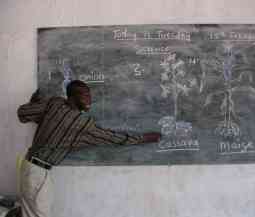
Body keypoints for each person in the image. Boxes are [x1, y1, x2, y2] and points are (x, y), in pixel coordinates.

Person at [17, 80, 161, 217]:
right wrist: (144, 138)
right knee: (39, 213)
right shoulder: (81, 124)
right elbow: (111, 138)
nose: (89, 100)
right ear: (72, 97)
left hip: (30, 167)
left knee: (32, 212)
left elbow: (22, 113)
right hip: (38, 173)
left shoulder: (54, 103)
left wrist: (34, 103)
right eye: (85, 95)